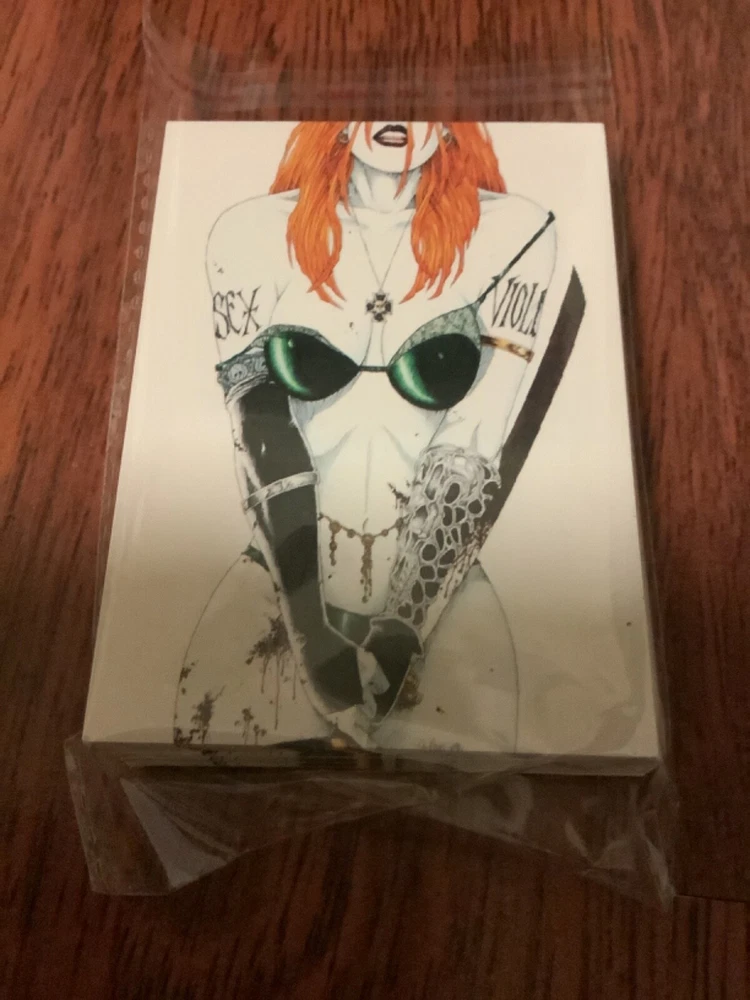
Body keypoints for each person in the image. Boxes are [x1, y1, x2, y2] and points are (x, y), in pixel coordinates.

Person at [174, 122, 562, 755]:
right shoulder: (250, 232)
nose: (397, 112)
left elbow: (474, 440)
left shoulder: (514, 234)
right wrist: (311, 634)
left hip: (440, 610)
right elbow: (260, 430)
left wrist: (404, 629)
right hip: (276, 594)